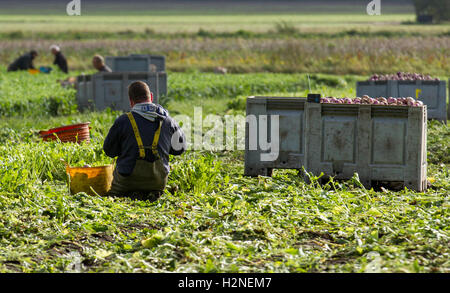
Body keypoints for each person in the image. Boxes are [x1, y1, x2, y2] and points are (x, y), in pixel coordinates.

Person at [103, 81, 186, 201]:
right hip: (157, 183)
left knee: (112, 196)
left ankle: (131, 194)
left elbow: (109, 151)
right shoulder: (168, 121)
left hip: (126, 184)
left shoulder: (123, 121)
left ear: (131, 101)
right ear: (151, 96)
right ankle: (151, 193)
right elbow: (179, 149)